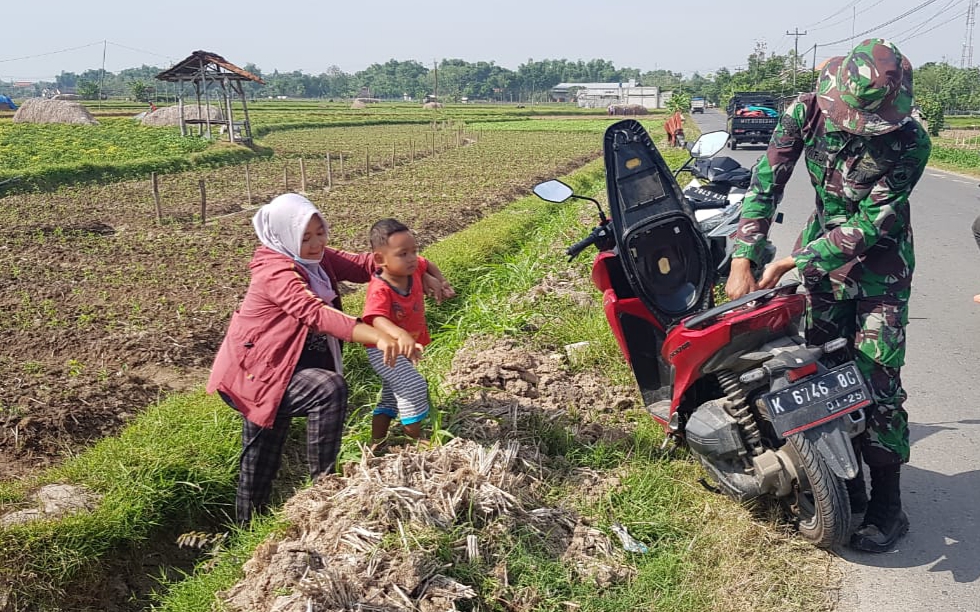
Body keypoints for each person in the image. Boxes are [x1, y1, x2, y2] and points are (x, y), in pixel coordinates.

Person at [724, 39, 931, 553]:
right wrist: (743, 256)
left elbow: (871, 222)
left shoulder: (911, 141)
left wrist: (793, 261)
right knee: (821, 377)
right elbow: (767, 181)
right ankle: (846, 486)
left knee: (878, 379)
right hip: (822, 271)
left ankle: (888, 504)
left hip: (881, 268)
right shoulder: (805, 110)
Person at [206, 194, 433, 524]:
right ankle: (318, 492)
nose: (314, 244)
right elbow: (314, 313)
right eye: (304, 237)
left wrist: (420, 271)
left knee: (267, 446)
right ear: (284, 235)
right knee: (266, 449)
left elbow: (370, 263)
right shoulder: (275, 271)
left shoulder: (318, 259)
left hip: (292, 367)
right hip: (261, 374)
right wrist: (380, 335)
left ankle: (311, 495)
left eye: (319, 233)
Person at [362, 218, 455, 445]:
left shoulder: (412, 271)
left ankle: (376, 442)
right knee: (413, 385)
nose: (412, 258)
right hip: (384, 350)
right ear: (380, 259)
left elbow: (427, 263)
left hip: (404, 347)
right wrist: (399, 334)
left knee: (392, 397)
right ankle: (414, 438)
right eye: (403, 254)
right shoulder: (380, 289)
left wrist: (441, 282)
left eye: (414, 251)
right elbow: (375, 318)